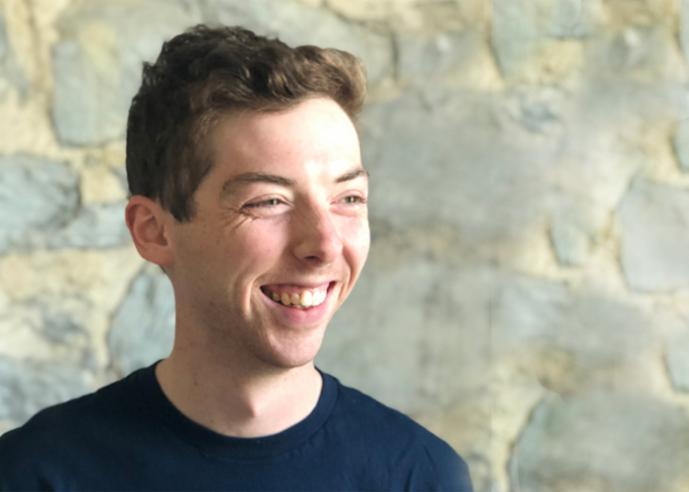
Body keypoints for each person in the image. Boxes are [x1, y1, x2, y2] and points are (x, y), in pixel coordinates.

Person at [0, 24, 473, 491]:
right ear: (154, 231)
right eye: (269, 202)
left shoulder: (421, 476)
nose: (326, 244)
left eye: (348, 198)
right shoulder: (34, 474)